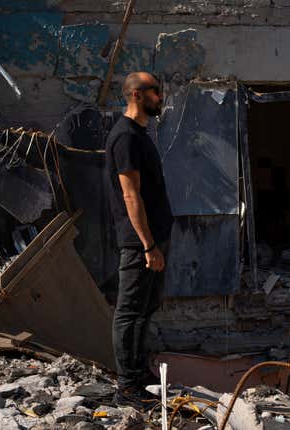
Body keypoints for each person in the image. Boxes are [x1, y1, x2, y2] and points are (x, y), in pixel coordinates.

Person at [105, 71, 173, 410]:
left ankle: (139, 374)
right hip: (139, 243)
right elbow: (131, 196)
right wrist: (147, 245)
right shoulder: (125, 138)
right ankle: (127, 387)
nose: (160, 97)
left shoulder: (140, 135)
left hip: (153, 239)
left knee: (145, 308)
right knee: (129, 311)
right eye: (155, 92)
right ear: (137, 95)